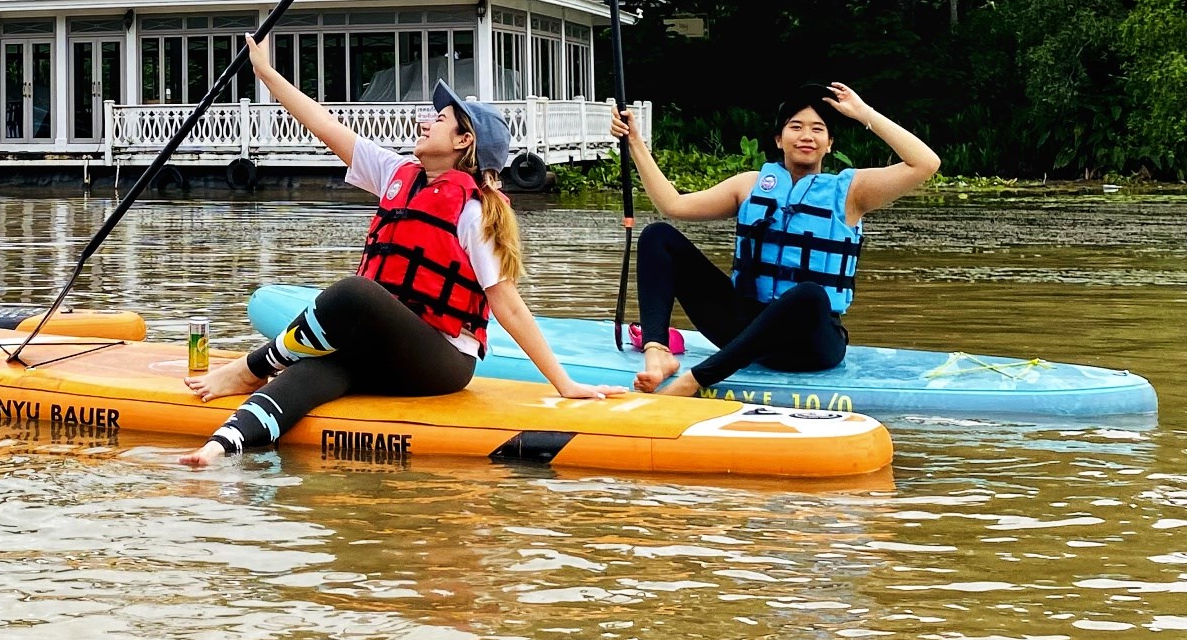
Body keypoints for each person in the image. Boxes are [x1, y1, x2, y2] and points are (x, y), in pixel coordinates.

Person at [178, 35, 618, 467]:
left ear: (464, 142)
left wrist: (564, 383)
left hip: (441, 362)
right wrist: (268, 75)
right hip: (380, 348)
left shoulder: (474, 212)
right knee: (314, 373)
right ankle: (217, 449)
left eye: (440, 118)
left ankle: (252, 367)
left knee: (354, 294)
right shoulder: (396, 172)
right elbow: (324, 124)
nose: (426, 122)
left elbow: (510, 306)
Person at [610, 82, 939, 397]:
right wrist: (635, 141)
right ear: (779, 139)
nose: (806, 136)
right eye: (796, 127)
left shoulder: (852, 192)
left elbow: (925, 163)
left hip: (808, 344)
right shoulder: (750, 184)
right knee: (658, 236)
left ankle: (696, 380)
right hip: (741, 328)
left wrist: (864, 113)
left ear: (830, 144)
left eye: (817, 129)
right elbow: (673, 205)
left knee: (809, 295)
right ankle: (657, 353)